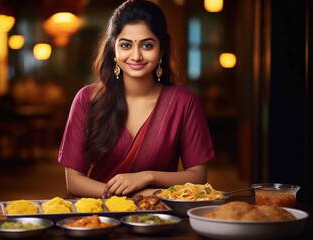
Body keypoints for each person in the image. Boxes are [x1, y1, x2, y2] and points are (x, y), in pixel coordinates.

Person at [58, 0, 215, 199]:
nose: (136, 55)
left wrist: (148, 177)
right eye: (126, 45)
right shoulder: (86, 99)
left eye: (147, 45)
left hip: (159, 216)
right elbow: (74, 182)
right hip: (99, 218)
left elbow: (198, 176)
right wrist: (133, 198)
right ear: (113, 50)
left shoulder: (184, 102)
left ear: (162, 51)